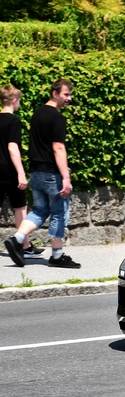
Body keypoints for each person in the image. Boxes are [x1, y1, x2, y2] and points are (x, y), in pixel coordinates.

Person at [4, 79, 79, 268]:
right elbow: (58, 148)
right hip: (51, 173)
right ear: (55, 93)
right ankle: (57, 255)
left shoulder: (37, 113)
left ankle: (17, 239)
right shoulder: (57, 117)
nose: (69, 98)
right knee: (58, 213)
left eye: (70, 94)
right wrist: (66, 177)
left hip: (36, 171)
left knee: (39, 210)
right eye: (66, 94)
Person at [0, 85, 44, 259]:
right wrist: (20, 172)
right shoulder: (13, 121)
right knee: (20, 207)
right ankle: (24, 245)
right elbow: (13, 147)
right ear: (14, 100)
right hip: (8, 170)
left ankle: (25, 244)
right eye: (19, 100)